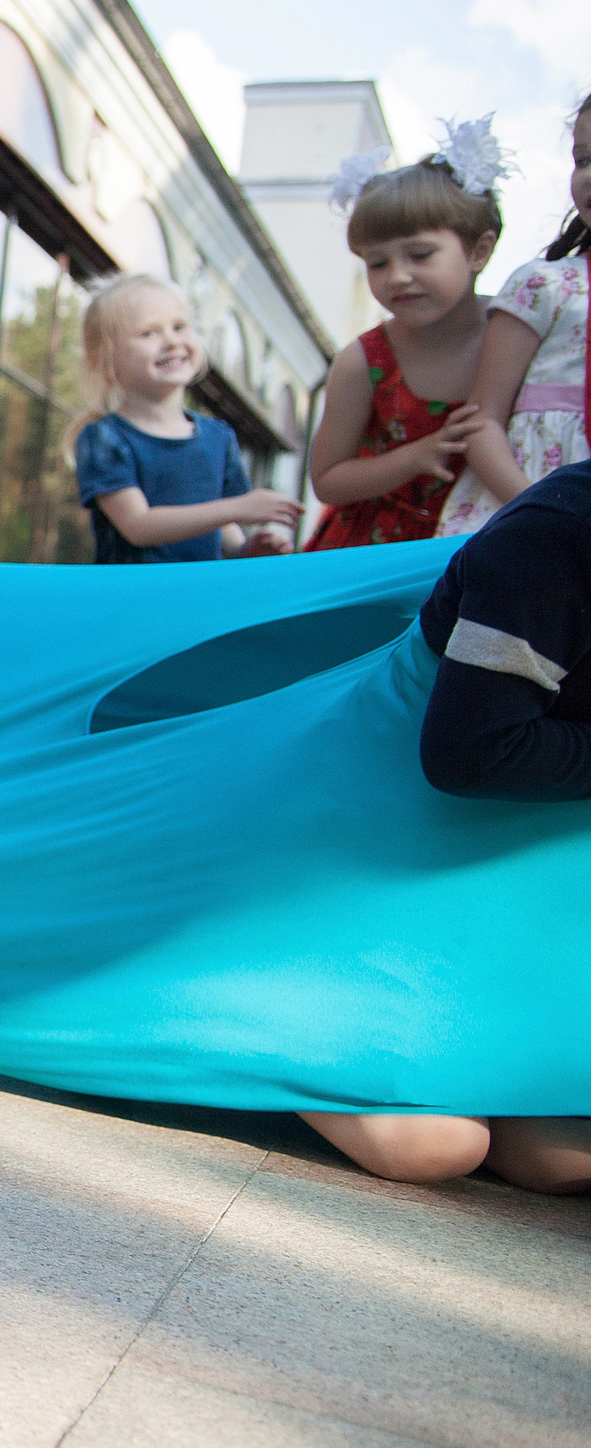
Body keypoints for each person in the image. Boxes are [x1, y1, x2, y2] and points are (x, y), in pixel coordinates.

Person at [293, 458, 591, 1197]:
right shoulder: (559, 540)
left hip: (506, 899)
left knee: (560, 1156)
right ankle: (262, 1037)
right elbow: (469, 750)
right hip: (371, 872)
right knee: (435, 1143)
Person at [302, 155, 497, 548]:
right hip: (373, 559)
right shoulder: (362, 361)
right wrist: (414, 458)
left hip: (484, 546)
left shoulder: (519, 332)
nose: (397, 276)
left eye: (420, 255)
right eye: (377, 262)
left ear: (479, 251)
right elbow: (326, 480)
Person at [436, 100, 591, 537]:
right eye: (584, 159)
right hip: (525, 520)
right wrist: (542, 512)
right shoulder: (542, 286)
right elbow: (482, 420)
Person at [70, 273, 301, 563]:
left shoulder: (219, 436)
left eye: (179, 327)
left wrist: (247, 551)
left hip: (203, 602)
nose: (171, 341)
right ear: (106, 360)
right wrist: (236, 507)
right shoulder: (104, 438)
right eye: (149, 333)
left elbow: (224, 535)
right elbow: (138, 526)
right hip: (135, 603)